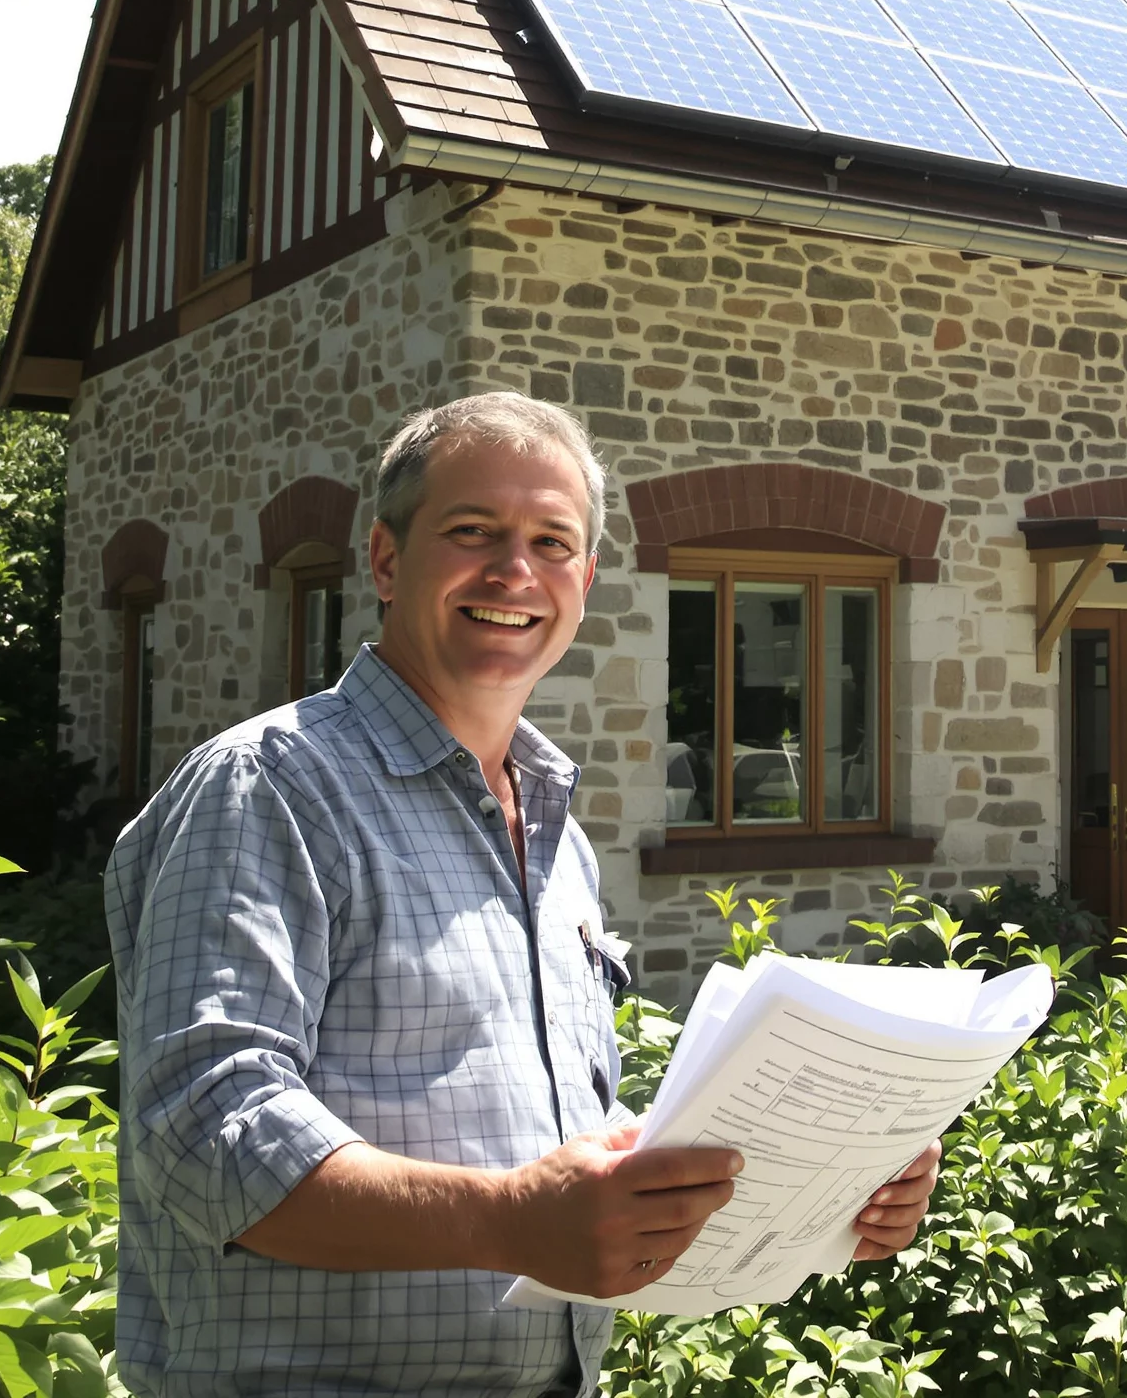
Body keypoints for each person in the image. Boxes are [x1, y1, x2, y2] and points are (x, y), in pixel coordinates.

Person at [105, 393, 941, 1398]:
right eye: (472, 532)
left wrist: (829, 1178)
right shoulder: (270, 784)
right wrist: (506, 1217)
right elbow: (202, 1130)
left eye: (552, 541)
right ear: (382, 558)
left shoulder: (556, 836)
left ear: (584, 580)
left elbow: (558, 1144)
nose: (515, 572)